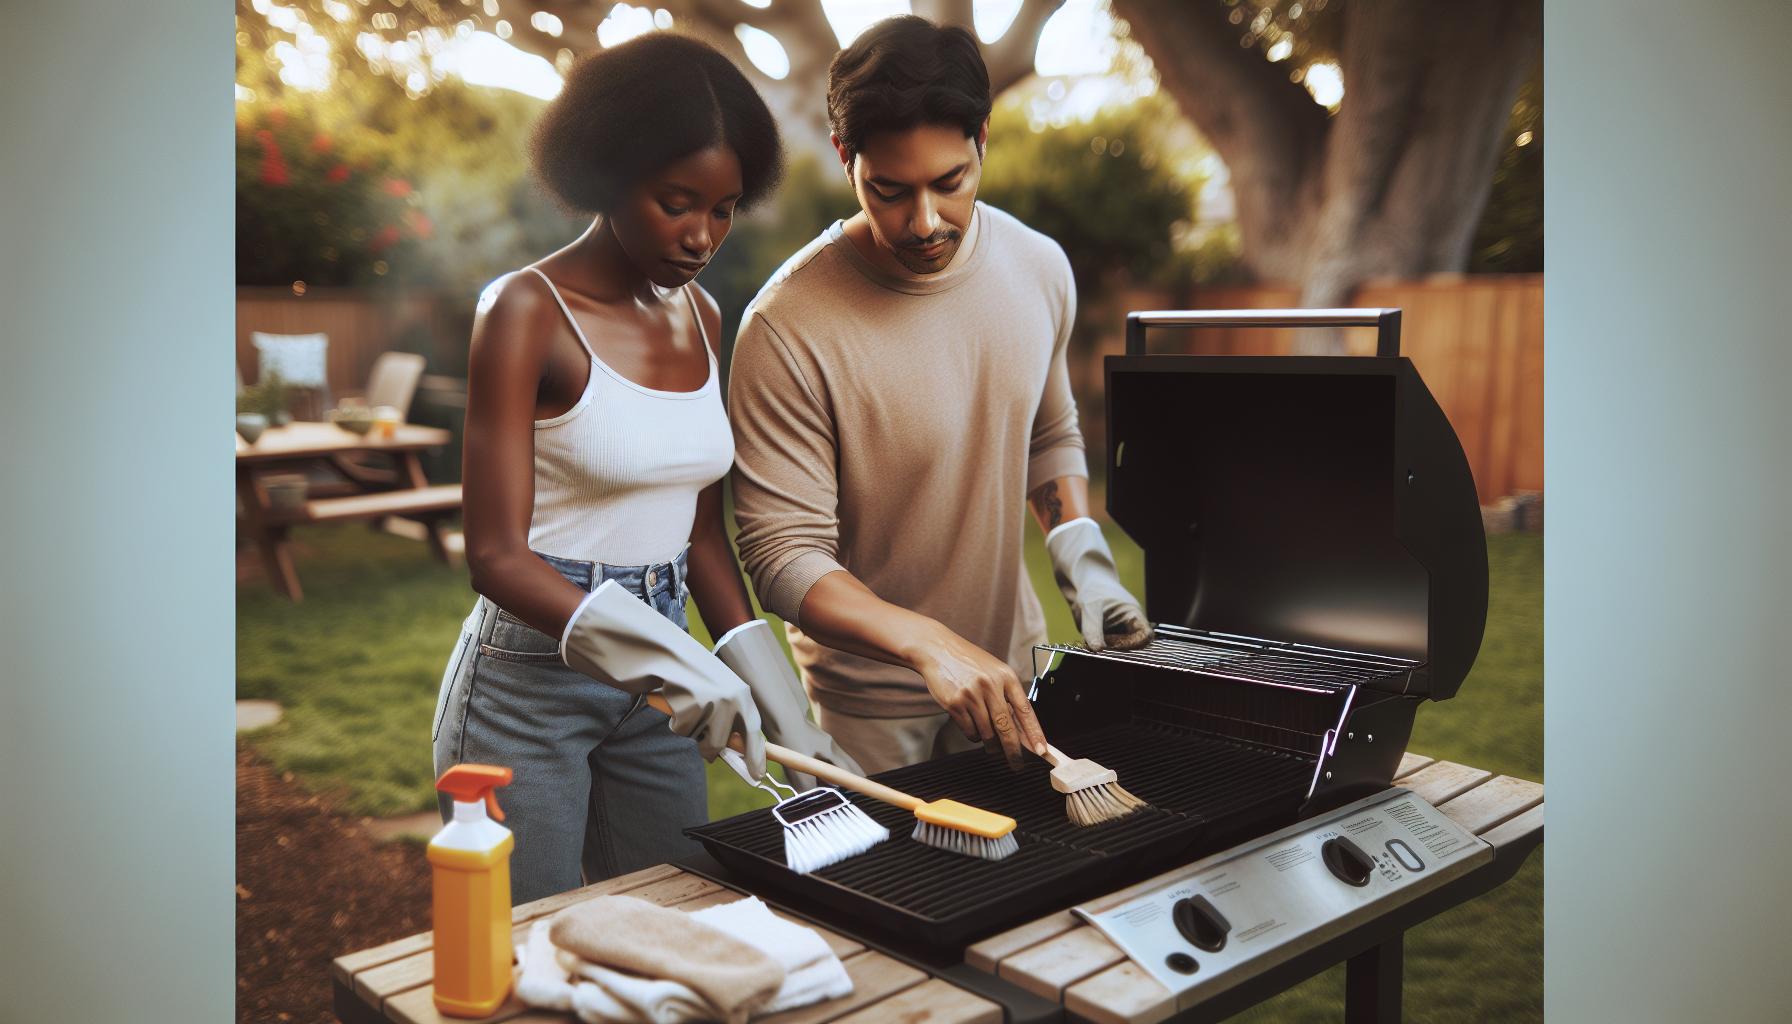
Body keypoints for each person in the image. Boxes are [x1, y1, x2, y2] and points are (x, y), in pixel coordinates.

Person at [432, 32, 860, 905]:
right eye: (676, 203)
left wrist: (774, 693)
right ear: (608, 173)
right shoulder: (525, 311)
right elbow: (495, 557)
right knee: (528, 951)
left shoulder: (702, 314)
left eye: (725, 208)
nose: (702, 235)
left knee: (677, 924)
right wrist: (673, 657)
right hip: (530, 686)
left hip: (660, 690)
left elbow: (701, 531)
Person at [728, 16, 1154, 778]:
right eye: (889, 191)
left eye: (949, 183)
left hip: (1013, 676)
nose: (924, 222)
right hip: (867, 709)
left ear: (983, 137)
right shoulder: (786, 326)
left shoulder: (1038, 267)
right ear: (845, 158)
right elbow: (781, 555)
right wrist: (930, 641)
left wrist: (1083, 560)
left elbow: (1047, 430)